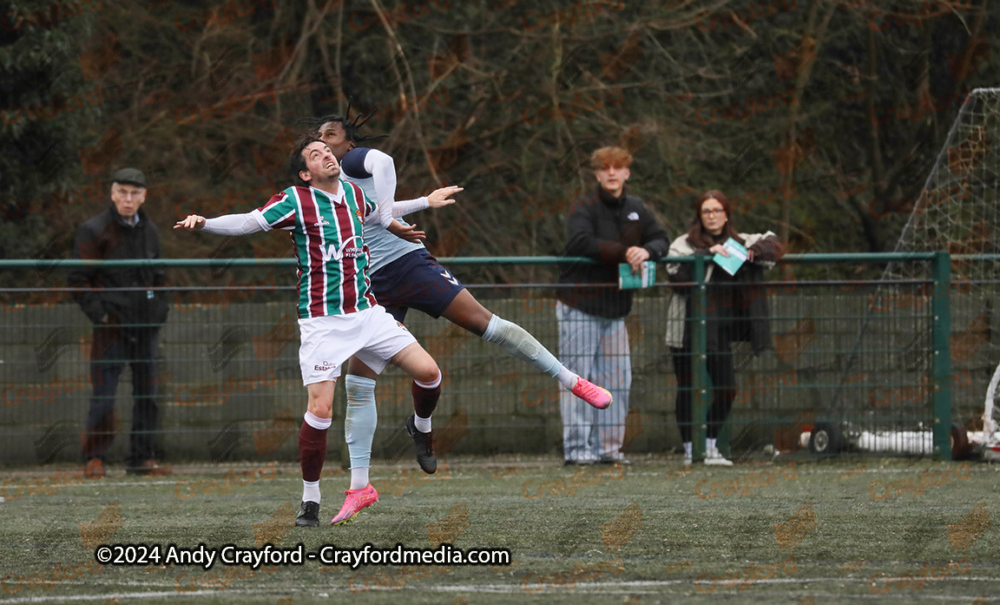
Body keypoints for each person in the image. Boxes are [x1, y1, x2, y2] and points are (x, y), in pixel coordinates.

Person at [310, 113, 614, 474]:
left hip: (409, 263)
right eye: (318, 138)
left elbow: (384, 164)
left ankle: (571, 380)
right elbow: (375, 213)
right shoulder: (319, 193)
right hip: (372, 286)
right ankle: (360, 485)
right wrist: (422, 201)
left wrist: (398, 210)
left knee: (487, 323)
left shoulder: (354, 162)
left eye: (331, 135)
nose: (323, 142)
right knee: (358, 384)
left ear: (349, 145)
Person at [174, 138, 443, 527]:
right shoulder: (296, 200)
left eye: (327, 150)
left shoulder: (352, 192)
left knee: (430, 374)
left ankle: (420, 428)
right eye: (316, 155)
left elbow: (381, 213)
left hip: (367, 312)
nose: (327, 155)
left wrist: (419, 207)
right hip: (323, 322)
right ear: (306, 173)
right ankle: (310, 501)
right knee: (320, 411)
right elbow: (250, 221)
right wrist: (206, 223)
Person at [555, 147, 669, 465]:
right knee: (579, 380)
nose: (611, 173)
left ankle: (609, 449)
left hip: (616, 312)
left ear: (627, 172)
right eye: (605, 168)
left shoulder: (636, 208)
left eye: (617, 167)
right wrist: (625, 251)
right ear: (597, 174)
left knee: (618, 381)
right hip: (579, 307)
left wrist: (646, 252)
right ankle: (578, 450)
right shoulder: (584, 205)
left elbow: (661, 239)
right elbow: (579, 241)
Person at [666, 190, 782, 466]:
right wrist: (707, 255)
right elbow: (675, 276)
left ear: (726, 213)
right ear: (699, 216)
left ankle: (710, 445)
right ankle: (689, 449)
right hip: (685, 330)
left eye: (717, 210)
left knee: (727, 388)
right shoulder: (683, 244)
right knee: (687, 388)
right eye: (706, 211)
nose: (712, 215)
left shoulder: (740, 240)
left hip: (719, 333)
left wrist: (749, 252)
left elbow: (775, 245)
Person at [69, 168, 170, 479]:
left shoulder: (150, 230)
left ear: (144, 196)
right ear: (112, 194)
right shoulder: (92, 229)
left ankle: (141, 458)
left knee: (148, 395)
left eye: (134, 193)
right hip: (110, 329)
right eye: (122, 192)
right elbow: (77, 281)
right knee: (104, 395)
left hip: (146, 329)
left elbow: (160, 276)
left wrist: (159, 311)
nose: (128, 198)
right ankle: (94, 459)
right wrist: (102, 316)